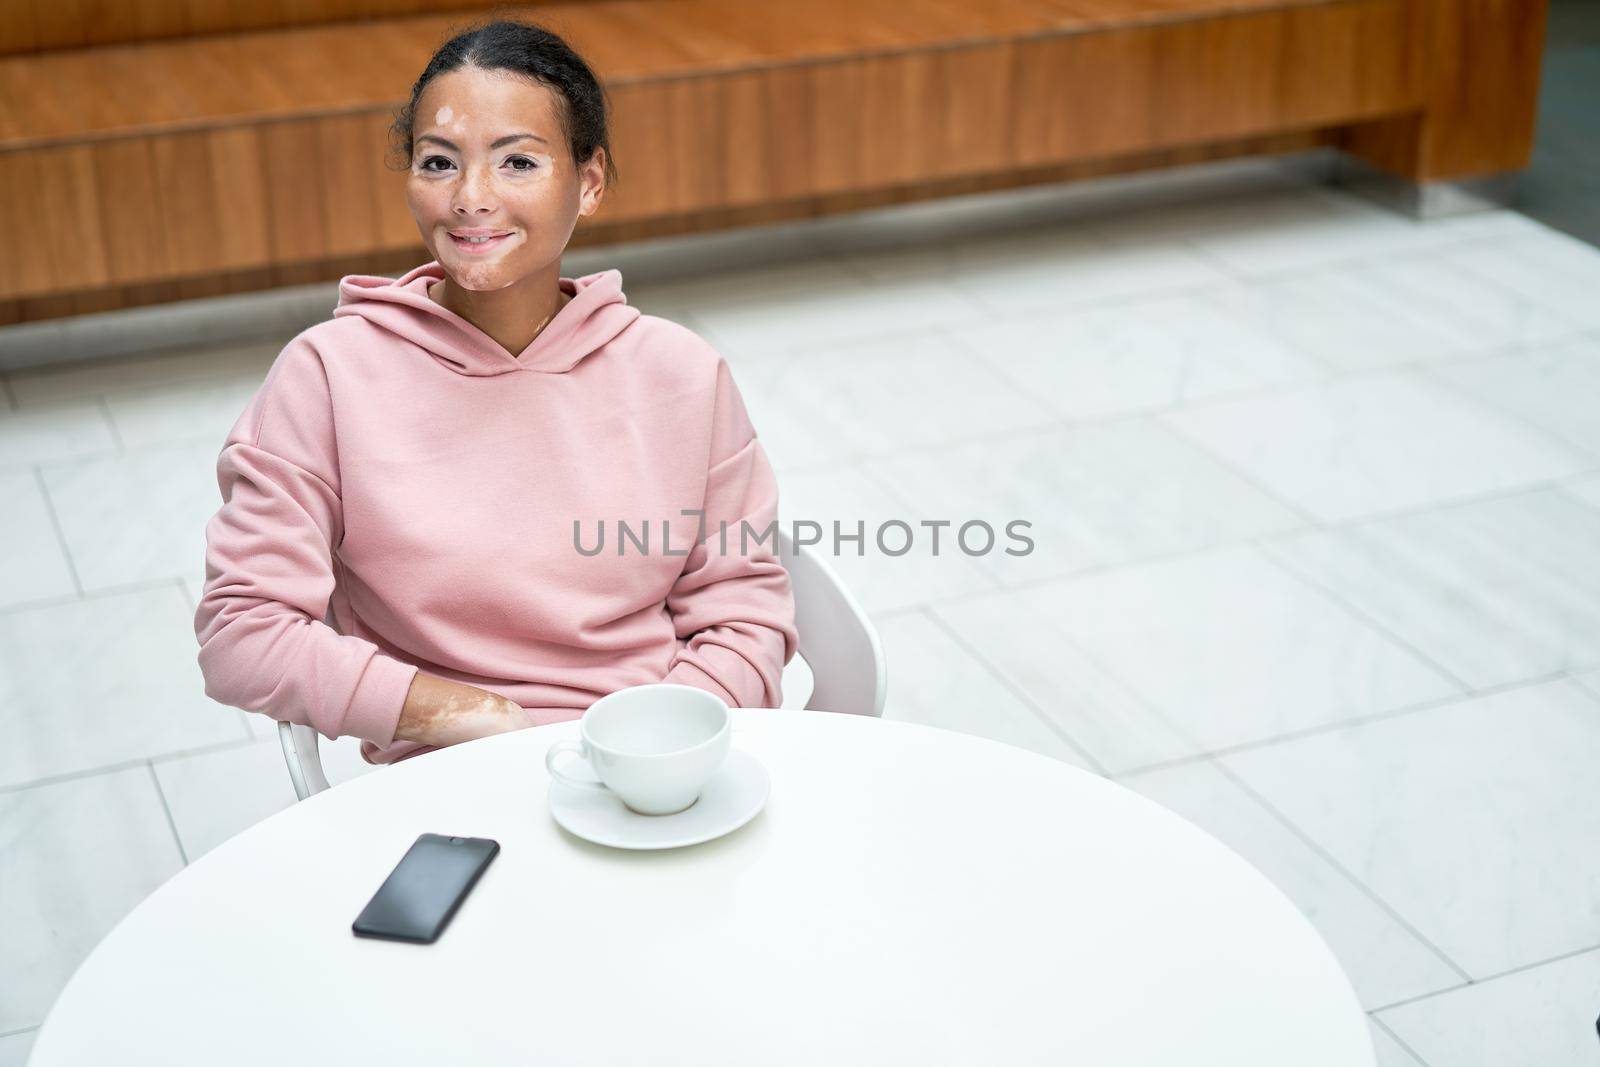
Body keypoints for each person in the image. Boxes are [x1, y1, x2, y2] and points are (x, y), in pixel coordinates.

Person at [193, 18, 799, 767]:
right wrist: (471, 718)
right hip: (450, 775)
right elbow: (243, 635)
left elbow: (744, 610)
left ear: (591, 180)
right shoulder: (326, 375)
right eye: (439, 162)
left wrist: (658, 750)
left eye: (517, 162)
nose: (471, 198)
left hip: (658, 758)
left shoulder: (682, 373)